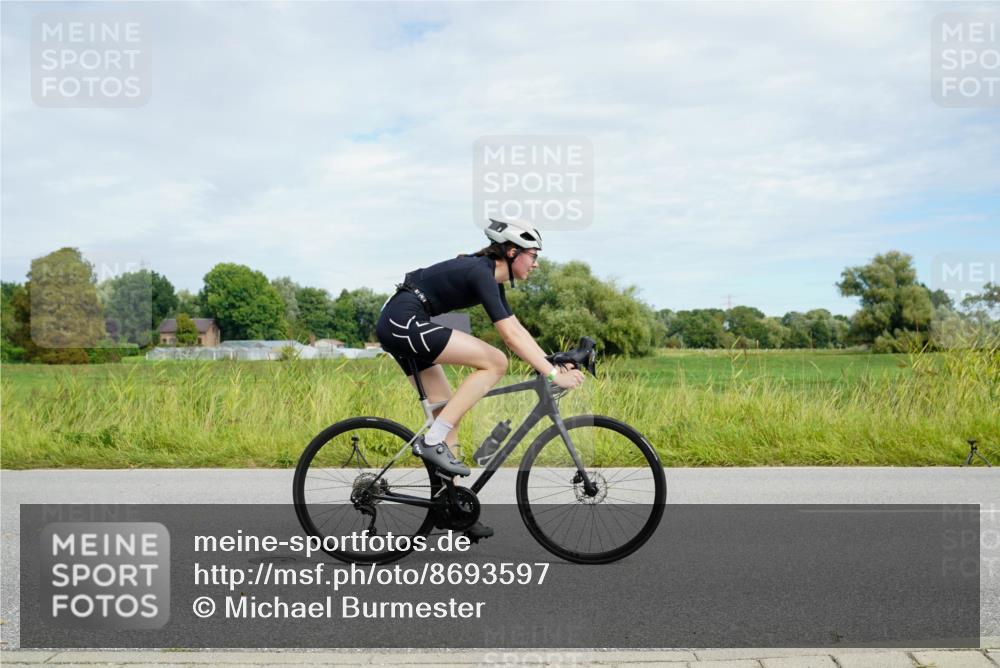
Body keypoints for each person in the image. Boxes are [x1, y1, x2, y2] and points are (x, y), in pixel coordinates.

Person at [375, 218, 585, 538]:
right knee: (495, 362)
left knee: (447, 413)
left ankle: (452, 508)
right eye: (533, 255)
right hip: (402, 322)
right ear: (512, 252)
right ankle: (432, 442)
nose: (537, 263)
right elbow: (510, 339)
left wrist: (551, 361)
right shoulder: (481, 272)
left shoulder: (491, 279)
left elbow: (517, 329)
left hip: (404, 323)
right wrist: (553, 373)